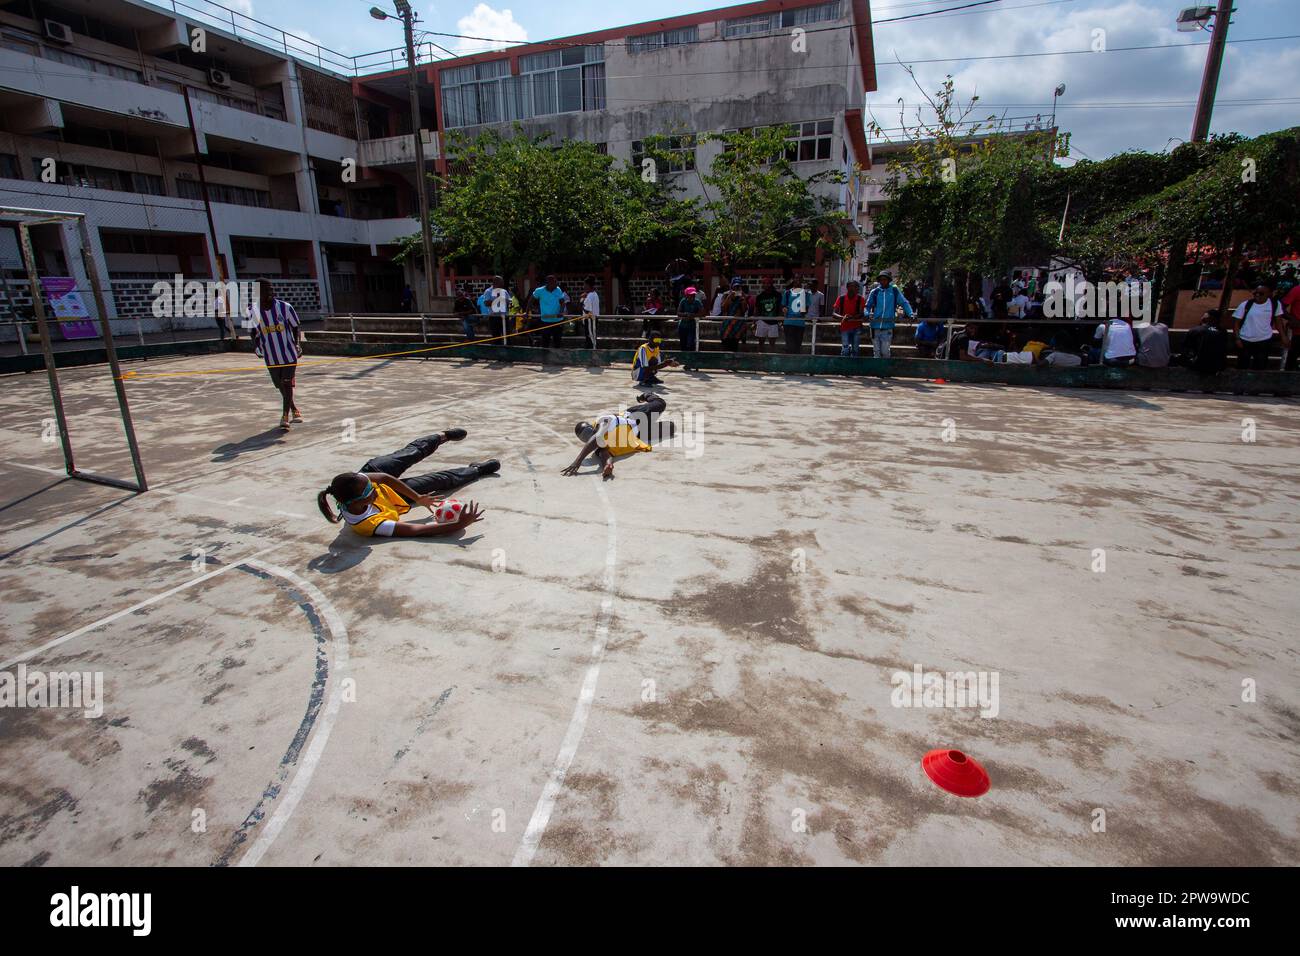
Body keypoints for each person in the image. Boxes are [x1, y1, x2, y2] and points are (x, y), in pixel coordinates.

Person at [316, 428, 495, 538]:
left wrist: (418, 498)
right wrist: (460, 524)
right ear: (359, 501)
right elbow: (418, 530)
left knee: (410, 453)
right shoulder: (371, 525)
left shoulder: (356, 484)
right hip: (392, 498)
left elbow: (384, 478)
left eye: (369, 482)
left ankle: (442, 436)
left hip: (374, 473)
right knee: (439, 481)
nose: (374, 486)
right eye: (370, 489)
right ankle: (477, 470)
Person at [562, 393, 669, 481]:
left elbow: (597, 436)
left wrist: (578, 461)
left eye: (587, 433)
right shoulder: (600, 447)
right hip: (638, 433)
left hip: (634, 416)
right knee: (670, 428)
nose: (587, 437)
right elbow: (605, 455)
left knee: (660, 403)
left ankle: (647, 395)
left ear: (591, 428)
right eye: (584, 437)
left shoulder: (602, 421)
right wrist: (608, 466)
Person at [246, 279, 302, 432]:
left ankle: (284, 416)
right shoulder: (252, 311)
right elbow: (252, 332)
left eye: (270, 290)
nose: (269, 293)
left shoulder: (285, 308)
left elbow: (296, 327)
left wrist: (297, 344)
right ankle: (293, 407)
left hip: (289, 354)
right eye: (264, 290)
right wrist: (256, 347)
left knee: (287, 382)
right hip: (270, 356)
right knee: (280, 385)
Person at [1233, 283, 1285, 370]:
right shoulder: (1246, 304)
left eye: (1261, 293)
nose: (1257, 295)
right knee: (1242, 365)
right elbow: (1236, 323)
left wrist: (1283, 336)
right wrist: (1237, 338)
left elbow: (1278, 321)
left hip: (1264, 340)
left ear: (1269, 294)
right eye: (1255, 293)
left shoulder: (1275, 304)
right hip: (1245, 339)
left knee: (1260, 365)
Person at [865, 271, 912, 359]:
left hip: (888, 326)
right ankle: (877, 371)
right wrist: (867, 314)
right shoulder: (874, 292)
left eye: (885, 279)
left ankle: (885, 370)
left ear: (889, 280)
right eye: (881, 280)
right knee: (876, 352)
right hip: (875, 326)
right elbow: (867, 306)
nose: (883, 281)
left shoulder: (894, 291)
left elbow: (904, 303)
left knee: (885, 352)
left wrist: (911, 314)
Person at [1181, 309, 1229, 374]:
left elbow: (1185, 347)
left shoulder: (1195, 330)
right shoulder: (1223, 332)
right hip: (1217, 365)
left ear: (1205, 319)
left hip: (1198, 365)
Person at [530, 274, 569, 349]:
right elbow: (531, 301)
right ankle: (545, 358)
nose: (556, 284)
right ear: (548, 283)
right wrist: (527, 311)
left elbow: (562, 302)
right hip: (545, 321)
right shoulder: (539, 291)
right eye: (554, 282)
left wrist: (561, 312)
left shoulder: (558, 289)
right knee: (545, 342)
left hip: (557, 321)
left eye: (556, 282)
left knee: (557, 342)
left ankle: (556, 357)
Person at [833, 280, 867, 356]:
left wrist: (852, 317)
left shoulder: (860, 299)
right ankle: (844, 365)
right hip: (845, 327)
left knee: (855, 349)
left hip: (857, 327)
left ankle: (854, 366)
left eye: (857, 287)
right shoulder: (841, 298)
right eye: (853, 286)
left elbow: (861, 313)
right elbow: (834, 313)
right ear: (848, 288)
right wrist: (843, 317)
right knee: (845, 349)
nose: (856, 289)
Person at [719, 277, 750, 352]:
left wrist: (743, 299)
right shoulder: (726, 295)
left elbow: (744, 310)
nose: (736, 289)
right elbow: (723, 309)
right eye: (734, 287)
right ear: (731, 286)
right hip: (727, 325)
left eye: (738, 287)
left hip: (737, 326)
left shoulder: (743, 295)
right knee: (725, 346)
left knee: (735, 347)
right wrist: (729, 298)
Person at [752, 277, 782, 353]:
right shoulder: (760, 296)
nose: (766, 285)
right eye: (764, 283)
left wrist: (780, 321)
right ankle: (760, 359)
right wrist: (754, 322)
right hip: (762, 321)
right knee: (761, 343)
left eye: (768, 283)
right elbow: (757, 310)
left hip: (773, 321)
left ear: (771, 284)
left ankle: (772, 360)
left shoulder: (778, 295)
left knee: (772, 344)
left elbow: (780, 308)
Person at [781, 276, 808, 354]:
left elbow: (805, 310)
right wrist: (784, 309)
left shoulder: (806, 294)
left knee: (797, 346)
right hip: (788, 323)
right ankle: (788, 364)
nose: (797, 281)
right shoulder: (787, 293)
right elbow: (783, 306)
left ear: (802, 281)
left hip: (800, 323)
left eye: (799, 279)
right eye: (795, 279)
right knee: (789, 346)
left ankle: (796, 364)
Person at [676, 284, 704, 352]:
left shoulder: (697, 302)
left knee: (690, 344)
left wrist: (693, 315)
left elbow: (703, 313)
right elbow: (678, 313)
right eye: (690, 295)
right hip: (682, 326)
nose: (692, 296)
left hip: (692, 326)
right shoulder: (683, 301)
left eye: (693, 295)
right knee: (683, 344)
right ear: (686, 295)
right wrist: (685, 314)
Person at [580, 275, 600, 349]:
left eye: (584, 284)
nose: (583, 286)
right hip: (593, 320)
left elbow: (587, 310)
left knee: (590, 339)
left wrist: (581, 301)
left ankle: (592, 355)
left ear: (588, 285)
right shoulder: (594, 294)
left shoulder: (589, 296)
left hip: (590, 320)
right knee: (591, 338)